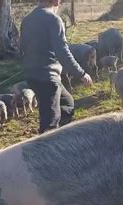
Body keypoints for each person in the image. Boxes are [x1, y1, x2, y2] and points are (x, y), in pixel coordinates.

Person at [20, 0, 92, 134]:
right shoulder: (53, 20)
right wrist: (81, 73)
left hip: (32, 75)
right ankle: (47, 149)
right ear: (56, 2)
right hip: (47, 78)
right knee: (49, 124)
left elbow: (22, 48)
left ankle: (61, 139)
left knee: (67, 104)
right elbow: (62, 52)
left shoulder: (27, 20)